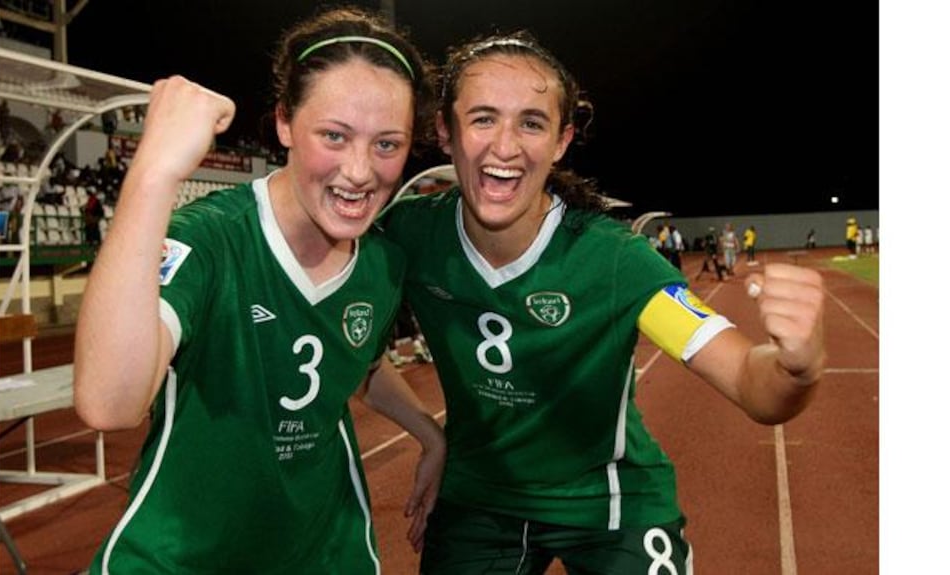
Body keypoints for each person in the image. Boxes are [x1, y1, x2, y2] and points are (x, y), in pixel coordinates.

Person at [380, 30, 826, 574]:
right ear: (444, 133)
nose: (505, 145)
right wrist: (429, 433)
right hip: (480, 501)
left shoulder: (614, 261)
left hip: (611, 506)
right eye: (482, 118)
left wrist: (795, 369)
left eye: (531, 122)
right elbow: (339, 336)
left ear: (561, 141)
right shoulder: (407, 235)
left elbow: (752, 386)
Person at [73, 8, 444, 573]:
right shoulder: (212, 239)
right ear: (284, 124)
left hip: (326, 551)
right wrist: (153, 174)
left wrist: (430, 434)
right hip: (182, 553)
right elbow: (108, 403)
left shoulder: (383, 262)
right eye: (334, 136)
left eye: (387, 145)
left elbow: (359, 361)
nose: (360, 170)